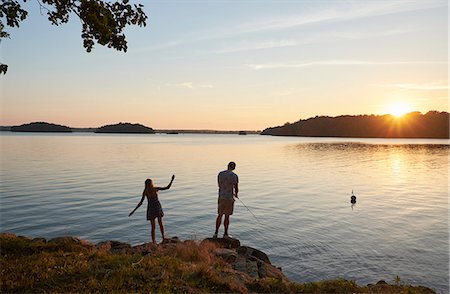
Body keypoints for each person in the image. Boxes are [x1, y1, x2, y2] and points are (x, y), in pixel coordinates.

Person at [129, 175, 175, 244]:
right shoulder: (154, 189)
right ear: (151, 183)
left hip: (151, 208)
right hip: (157, 207)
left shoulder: (145, 191)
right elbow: (167, 188)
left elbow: (141, 203)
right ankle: (163, 238)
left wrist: (133, 211)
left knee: (153, 227)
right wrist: (172, 180)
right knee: (160, 223)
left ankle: (154, 242)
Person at [214, 161, 239, 238]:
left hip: (221, 197)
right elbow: (236, 187)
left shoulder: (220, 174)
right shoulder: (234, 176)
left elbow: (219, 185)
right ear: (234, 167)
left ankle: (216, 233)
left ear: (228, 166)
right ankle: (225, 234)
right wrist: (236, 194)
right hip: (229, 198)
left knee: (220, 215)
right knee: (227, 216)